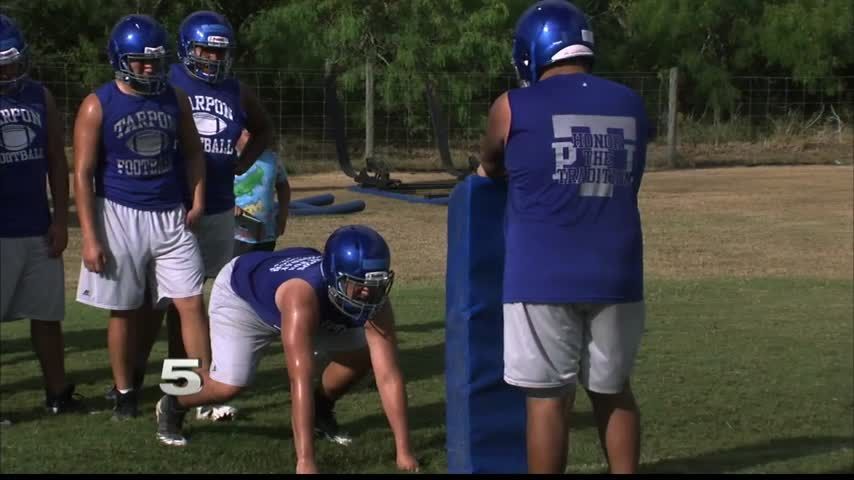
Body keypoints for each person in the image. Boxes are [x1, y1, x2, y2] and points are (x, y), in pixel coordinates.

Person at [477, 0, 648, 474]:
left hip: (541, 274)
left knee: (548, 401)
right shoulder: (630, 102)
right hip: (618, 270)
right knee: (613, 390)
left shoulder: (512, 105)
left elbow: (489, 164)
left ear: (532, 51)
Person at [154, 225, 420, 474]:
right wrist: (306, 461)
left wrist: (404, 452)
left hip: (305, 299)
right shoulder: (301, 295)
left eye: (375, 286)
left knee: (362, 357)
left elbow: (389, 375)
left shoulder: (373, 300)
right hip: (244, 299)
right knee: (229, 386)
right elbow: (299, 379)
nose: (367, 295)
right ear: (336, 278)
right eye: (359, 286)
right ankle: (172, 400)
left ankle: (321, 410)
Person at [118, 11, 274, 423]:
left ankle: (181, 388)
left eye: (219, 51)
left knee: (195, 305)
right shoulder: (165, 80)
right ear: (187, 48)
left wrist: (241, 165)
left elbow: (264, 129)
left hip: (218, 207)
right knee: (157, 304)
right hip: (169, 208)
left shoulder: (236, 90)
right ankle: (130, 385)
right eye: (205, 49)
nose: (212, 58)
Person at [73, 13, 210, 421]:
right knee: (125, 310)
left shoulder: (175, 97)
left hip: (170, 215)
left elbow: (192, 152)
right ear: (121, 59)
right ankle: (125, 392)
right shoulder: (98, 103)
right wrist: (90, 236)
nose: (150, 67)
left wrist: (198, 199)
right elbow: (81, 172)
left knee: (189, 304)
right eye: (140, 61)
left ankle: (189, 394)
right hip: (118, 213)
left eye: (154, 60)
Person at [0, 14, 83, 421]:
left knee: (48, 316)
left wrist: (59, 218)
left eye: (12, 61)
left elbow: (55, 156)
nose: (8, 71)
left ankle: (58, 393)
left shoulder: (38, 95)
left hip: (36, 224)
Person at [233, 128, 290, 255]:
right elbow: (216, 188)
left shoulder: (272, 158)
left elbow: (283, 186)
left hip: (267, 233)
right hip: (237, 234)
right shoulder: (227, 160)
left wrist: (283, 214)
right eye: (248, 135)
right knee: (237, 270)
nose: (254, 139)